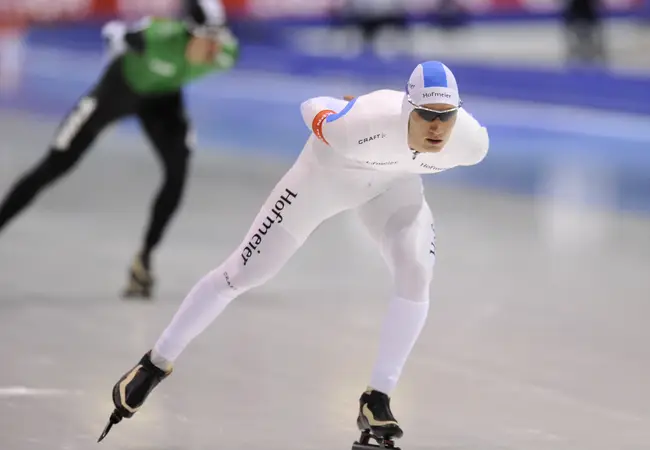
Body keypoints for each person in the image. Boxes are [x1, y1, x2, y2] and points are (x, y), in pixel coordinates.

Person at [97, 61, 490, 447]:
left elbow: (446, 134)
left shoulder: (471, 143)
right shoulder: (360, 125)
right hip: (324, 179)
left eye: (446, 116)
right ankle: (154, 363)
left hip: (392, 187)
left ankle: (378, 398)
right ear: (407, 110)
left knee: (416, 273)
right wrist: (339, 114)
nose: (437, 127)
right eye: (426, 114)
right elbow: (311, 105)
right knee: (243, 274)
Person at [0, 0, 239, 298]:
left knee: (178, 171)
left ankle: (144, 260)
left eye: (218, 38)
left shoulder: (225, 54)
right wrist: (119, 44)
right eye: (207, 39)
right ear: (186, 33)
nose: (214, 48)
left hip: (162, 101)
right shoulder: (156, 36)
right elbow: (112, 32)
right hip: (118, 91)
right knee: (55, 165)